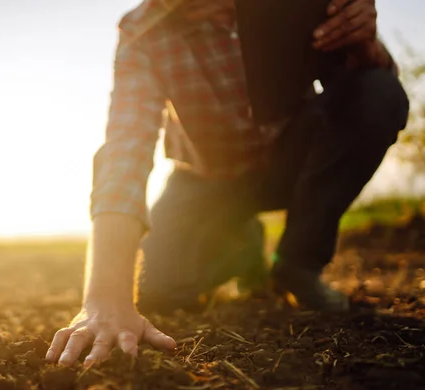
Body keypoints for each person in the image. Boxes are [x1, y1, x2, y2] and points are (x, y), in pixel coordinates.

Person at [46, 0, 409, 367]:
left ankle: (298, 262)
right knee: (157, 288)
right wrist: (106, 298)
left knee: (379, 93)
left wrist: (366, 45)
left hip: (291, 158)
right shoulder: (143, 30)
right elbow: (126, 150)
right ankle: (242, 248)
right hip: (205, 179)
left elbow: (364, 93)